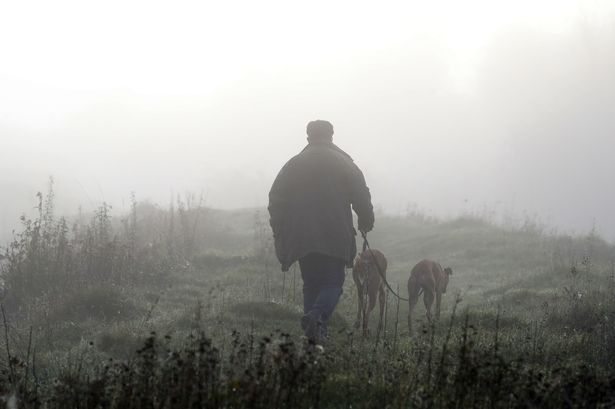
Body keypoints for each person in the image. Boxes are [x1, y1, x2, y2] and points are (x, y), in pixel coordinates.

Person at [268, 120, 374, 343]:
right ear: (331, 136)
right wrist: (366, 221)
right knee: (333, 283)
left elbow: (275, 198)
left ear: (308, 137)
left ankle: (314, 337)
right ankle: (316, 320)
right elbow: (361, 196)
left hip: (302, 237)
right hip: (334, 235)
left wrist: (281, 229)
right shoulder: (345, 163)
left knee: (312, 283)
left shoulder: (293, 164)